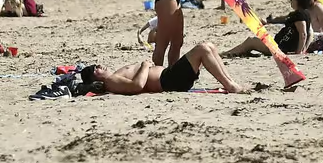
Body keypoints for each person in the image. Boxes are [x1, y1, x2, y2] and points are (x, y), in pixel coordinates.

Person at [79, 43, 247, 95]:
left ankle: (230, 83)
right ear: (95, 78)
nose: (100, 65)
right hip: (168, 81)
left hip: (169, 77)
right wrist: (145, 66)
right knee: (203, 49)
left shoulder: (114, 77)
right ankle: (231, 86)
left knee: (208, 46)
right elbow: (136, 86)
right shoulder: (110, 81)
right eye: (96, 68)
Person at [226, 0, 311, 57]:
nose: (291, 1)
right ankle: (239, 52)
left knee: (250, 41)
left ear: (298, 1)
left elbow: (303, 34)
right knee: (253, 41)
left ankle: (227, 54)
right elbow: (309, 32)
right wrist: (269, 21)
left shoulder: (300, 15)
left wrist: (299, 53)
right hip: (280, 46)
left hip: (280, 49)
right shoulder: (303, 13)